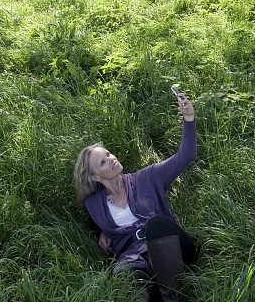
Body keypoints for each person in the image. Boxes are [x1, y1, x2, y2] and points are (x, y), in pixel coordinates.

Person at [74, 93, 198, 302]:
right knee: (125, 271)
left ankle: (175, 297)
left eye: (108, 154)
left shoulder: (148, 177)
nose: (111, 159)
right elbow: (100, 226)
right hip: (135, 259)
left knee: (157, 225)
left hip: (172, 249)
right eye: (103, 162)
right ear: (95, 177)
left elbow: (186, 156)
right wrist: (103, 233)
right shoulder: (93, 204)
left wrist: (189, 119)